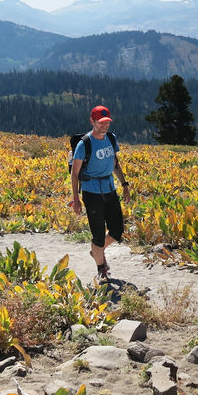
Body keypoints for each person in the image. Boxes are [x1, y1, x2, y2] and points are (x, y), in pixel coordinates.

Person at [70, 105, 131, 281]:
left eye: (107, 123)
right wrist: (76, 199)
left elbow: (115, 164)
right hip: (91, 193)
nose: (104, 126)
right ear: (93, 121)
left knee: (117, 229)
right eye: (100, 123)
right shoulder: (84, 144)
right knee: (97, 234)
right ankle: (101, 267)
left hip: (110, 190)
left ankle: (96, 251)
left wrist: (125, 184)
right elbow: (75, 174)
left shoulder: (111, 139)